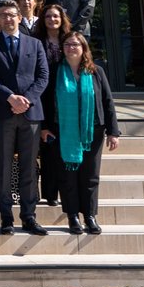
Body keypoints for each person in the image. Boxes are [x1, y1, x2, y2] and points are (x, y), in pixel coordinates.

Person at [0, 0, 50, 236]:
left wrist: (25, 100)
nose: (8, 19)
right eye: (3, 15)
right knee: (3, 165)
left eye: (12, 15)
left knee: (29, 166)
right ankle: (6, 217)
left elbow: (43, 76)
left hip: (30, 114)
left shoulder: (35, 44)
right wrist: (10, 98)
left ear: (20, 17)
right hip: (2, 112)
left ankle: (29, 216)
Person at [42, 31, 121, 235]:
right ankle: (73, 216)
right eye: (67, 44)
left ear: (83, 48)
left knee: (90, 175)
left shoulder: (96, 72)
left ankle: (90, 216)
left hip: (92, 131)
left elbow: (107, 102)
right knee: (68, 175)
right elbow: (46, 102)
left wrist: (114, 132)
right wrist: (45, 127)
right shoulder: (54, 72)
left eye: (75, 44)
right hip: (63, 131)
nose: (71, 48)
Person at [35, 3, 72, 206]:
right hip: (45, 97)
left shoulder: (70, 40)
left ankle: (67, 192)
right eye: (48, 16)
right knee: (48, 149)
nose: (52, 20)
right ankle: (50, 194)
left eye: (56, 16)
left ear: (62, 19)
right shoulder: (37, 41)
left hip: (66, 98)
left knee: (65, 149)